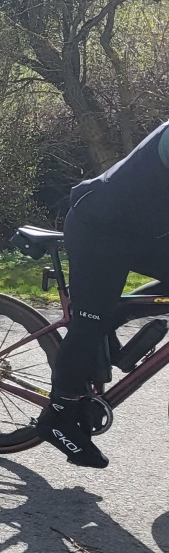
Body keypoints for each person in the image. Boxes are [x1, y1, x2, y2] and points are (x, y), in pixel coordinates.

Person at [38, 119, 169, 468]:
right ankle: (59, 415)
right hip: (98, 227)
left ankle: (117, 314)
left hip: (139, 232)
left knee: (104, 313)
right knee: (89, 323)